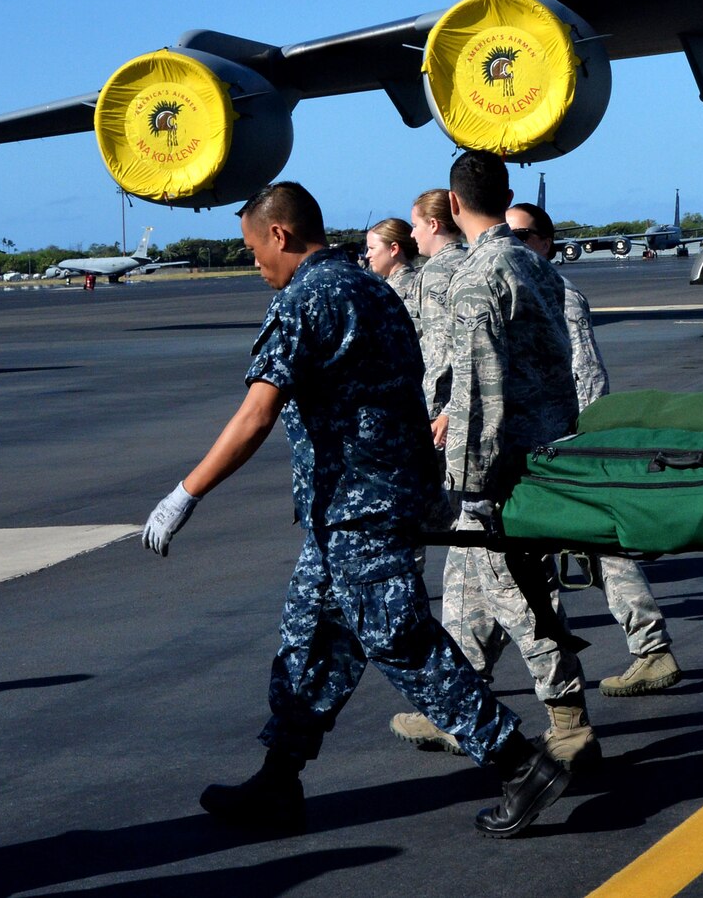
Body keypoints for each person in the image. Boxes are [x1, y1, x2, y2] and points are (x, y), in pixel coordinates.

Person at [138, 181, 566, 838]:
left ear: (279, 236)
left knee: (399, 638)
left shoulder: (309, 298)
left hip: (361, 508)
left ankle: (516, 762)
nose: (256, 264)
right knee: (310, 637)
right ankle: (278, 782)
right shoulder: (373, 289)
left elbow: (257, 413)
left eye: (254, 250)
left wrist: (185, 493)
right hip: (360, 505)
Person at [387, 152, 600, 769]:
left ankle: (569, 724)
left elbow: (477, 394)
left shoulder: (480, 279)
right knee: (467, 591)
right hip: (547, 454)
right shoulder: (536, 269)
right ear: (503, 197)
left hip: (503, 472)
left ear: (453, 205)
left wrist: (462, 485)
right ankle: (457, 708)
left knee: (520, 595)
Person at [511, 200, 685, 696]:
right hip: (542, 448)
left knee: (516, 564)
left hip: (562, 449)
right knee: (587, 551)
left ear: (545, 242)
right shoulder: (520, 286)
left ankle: (467, 694)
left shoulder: (558, 292)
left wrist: (581, 448)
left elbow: (587, 375)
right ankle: (651, 649)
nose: (515, 244)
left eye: (523, 236)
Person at [408, 189, 468, 418]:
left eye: (415, 225)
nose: (412, 234)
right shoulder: (469, 260)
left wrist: (436, 411)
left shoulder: (435, 272)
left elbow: (440, 349)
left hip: (443, 404)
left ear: (433, 225)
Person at [365, 218, 420, 306]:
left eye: (372, 248)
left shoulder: (388, 292)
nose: (367, 255)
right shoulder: (421, 283)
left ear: (393, 249)